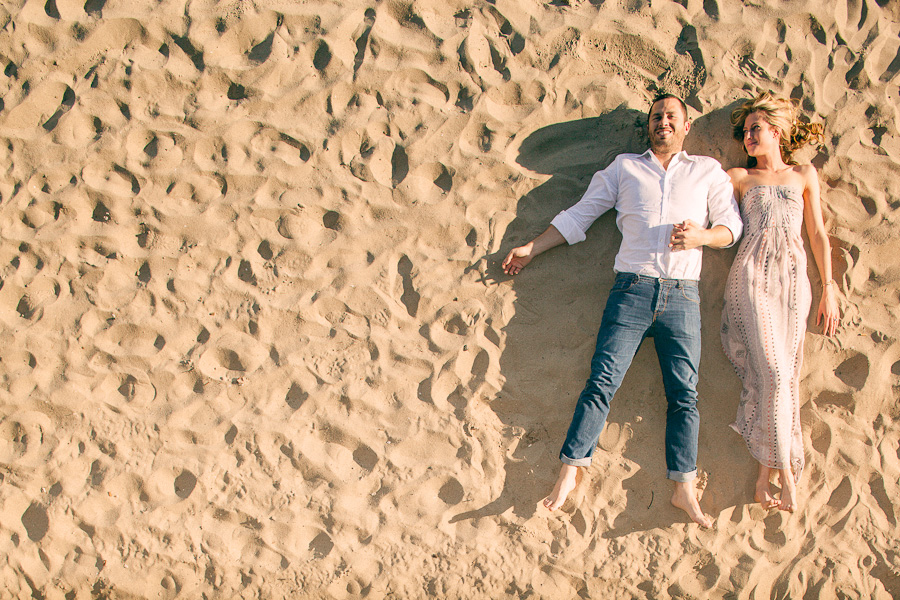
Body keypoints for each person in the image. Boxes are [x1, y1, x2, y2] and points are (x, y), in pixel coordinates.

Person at [502, 94, 742, 527]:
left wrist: (702, 238)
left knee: (684, 394)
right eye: (656, 117)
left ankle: (683, 489)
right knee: (601, 383)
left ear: (686, 126)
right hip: (630, 291)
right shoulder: (624, 168)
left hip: (683, 296)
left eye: (672, 116)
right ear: (649, 126)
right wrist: (531, 248)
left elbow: (731, 228)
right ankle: (570, 473)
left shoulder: (707, 171)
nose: (663, 122)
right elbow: (581, 214)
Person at [721, 92, 839, 513]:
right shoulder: (738, 177)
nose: (749, 136)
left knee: (784, 378)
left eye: (756, 129)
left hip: (794, 282)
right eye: (745, 131)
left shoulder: (803, 174)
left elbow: (818, 235)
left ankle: (760, 480)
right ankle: (787, 478)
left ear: (777, 132)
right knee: (772, 371)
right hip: (751, 276)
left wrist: (829, 287)